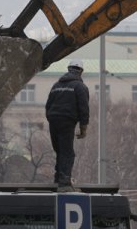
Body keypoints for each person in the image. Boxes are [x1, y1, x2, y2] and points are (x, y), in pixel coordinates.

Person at [45, 58, 90, 191]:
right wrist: (83, 128)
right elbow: (84, 109)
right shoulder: (80, 87)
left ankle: (58, 177)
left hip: (53, 120)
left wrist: (52, 118)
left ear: (68, 69)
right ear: (81, 71)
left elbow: (48, 105)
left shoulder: (56, 86)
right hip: (67, 121)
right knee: (67, 152)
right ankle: (64, 182)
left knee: (59, 150)